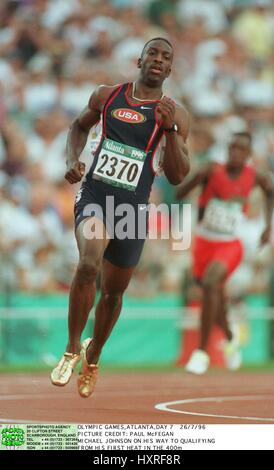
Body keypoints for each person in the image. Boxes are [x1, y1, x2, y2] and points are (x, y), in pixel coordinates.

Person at [50, 38, 190, 397]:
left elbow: (177, 175)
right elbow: (78, 127)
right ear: (139, 59)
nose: (158, 60)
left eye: (166, 56)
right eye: (153, 53)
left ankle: (93, 353)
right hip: (96, 195)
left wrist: (171, 131)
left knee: (113, 293)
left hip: (132, 208)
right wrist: (72, 160)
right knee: (88, 264)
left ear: (171, 69)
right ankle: (69, 349)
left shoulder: (176, 113)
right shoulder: (107, 96)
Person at [176, 132, 274, 374]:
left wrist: (267, 227)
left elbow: (270, 192)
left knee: (210, 283)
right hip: (204, 243)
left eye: (242, 151)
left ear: (248, 155)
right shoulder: (212, 170)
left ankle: (201, 353)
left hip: (230, 245)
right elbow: (179, 194)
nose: (236, 155)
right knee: (214, 296)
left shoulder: (255, 177)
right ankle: (230, 337)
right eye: (232, 150)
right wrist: (197, 178)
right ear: (227, 151)